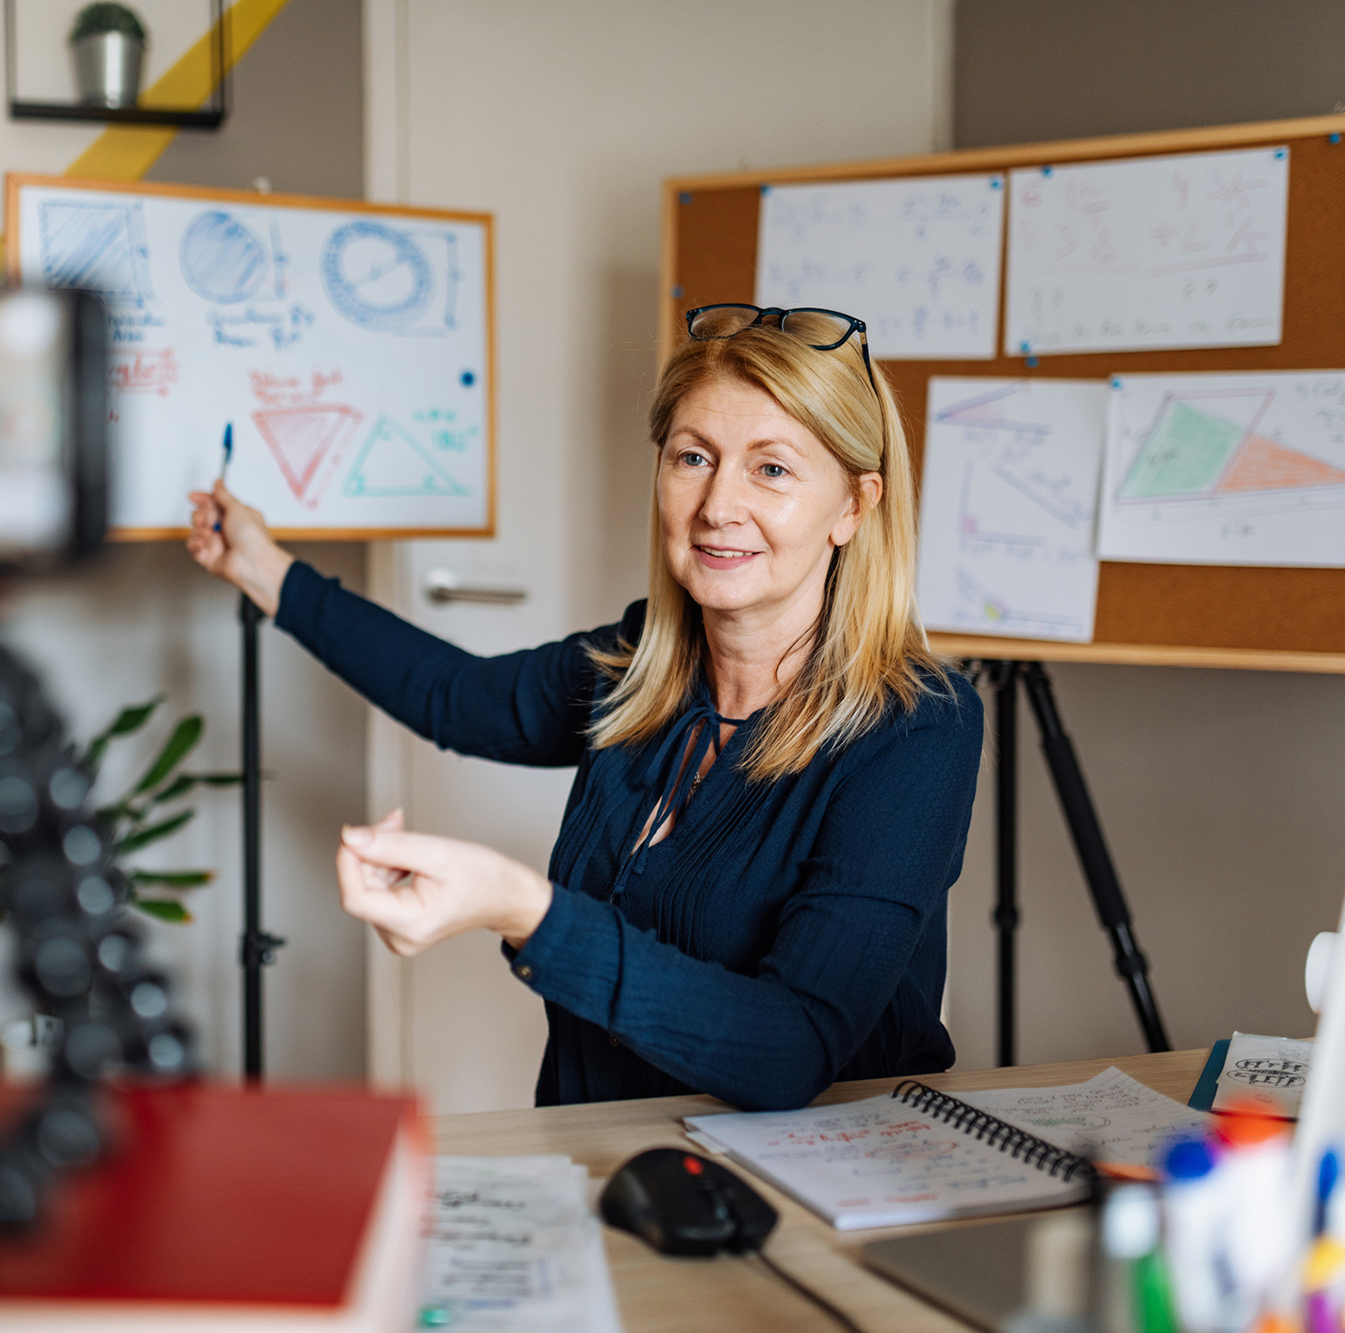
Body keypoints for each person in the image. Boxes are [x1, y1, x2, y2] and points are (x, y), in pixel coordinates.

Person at [186, 305, 983, 1112]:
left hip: (818, 1189)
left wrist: (520, 907)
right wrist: (265, 570)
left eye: (771, 469)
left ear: (854, 505)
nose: (716, 504)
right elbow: (454, 698)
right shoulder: (639, 665)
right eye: (694, 456)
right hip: (610, 1156)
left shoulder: (917, 725)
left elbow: (790, 1048)